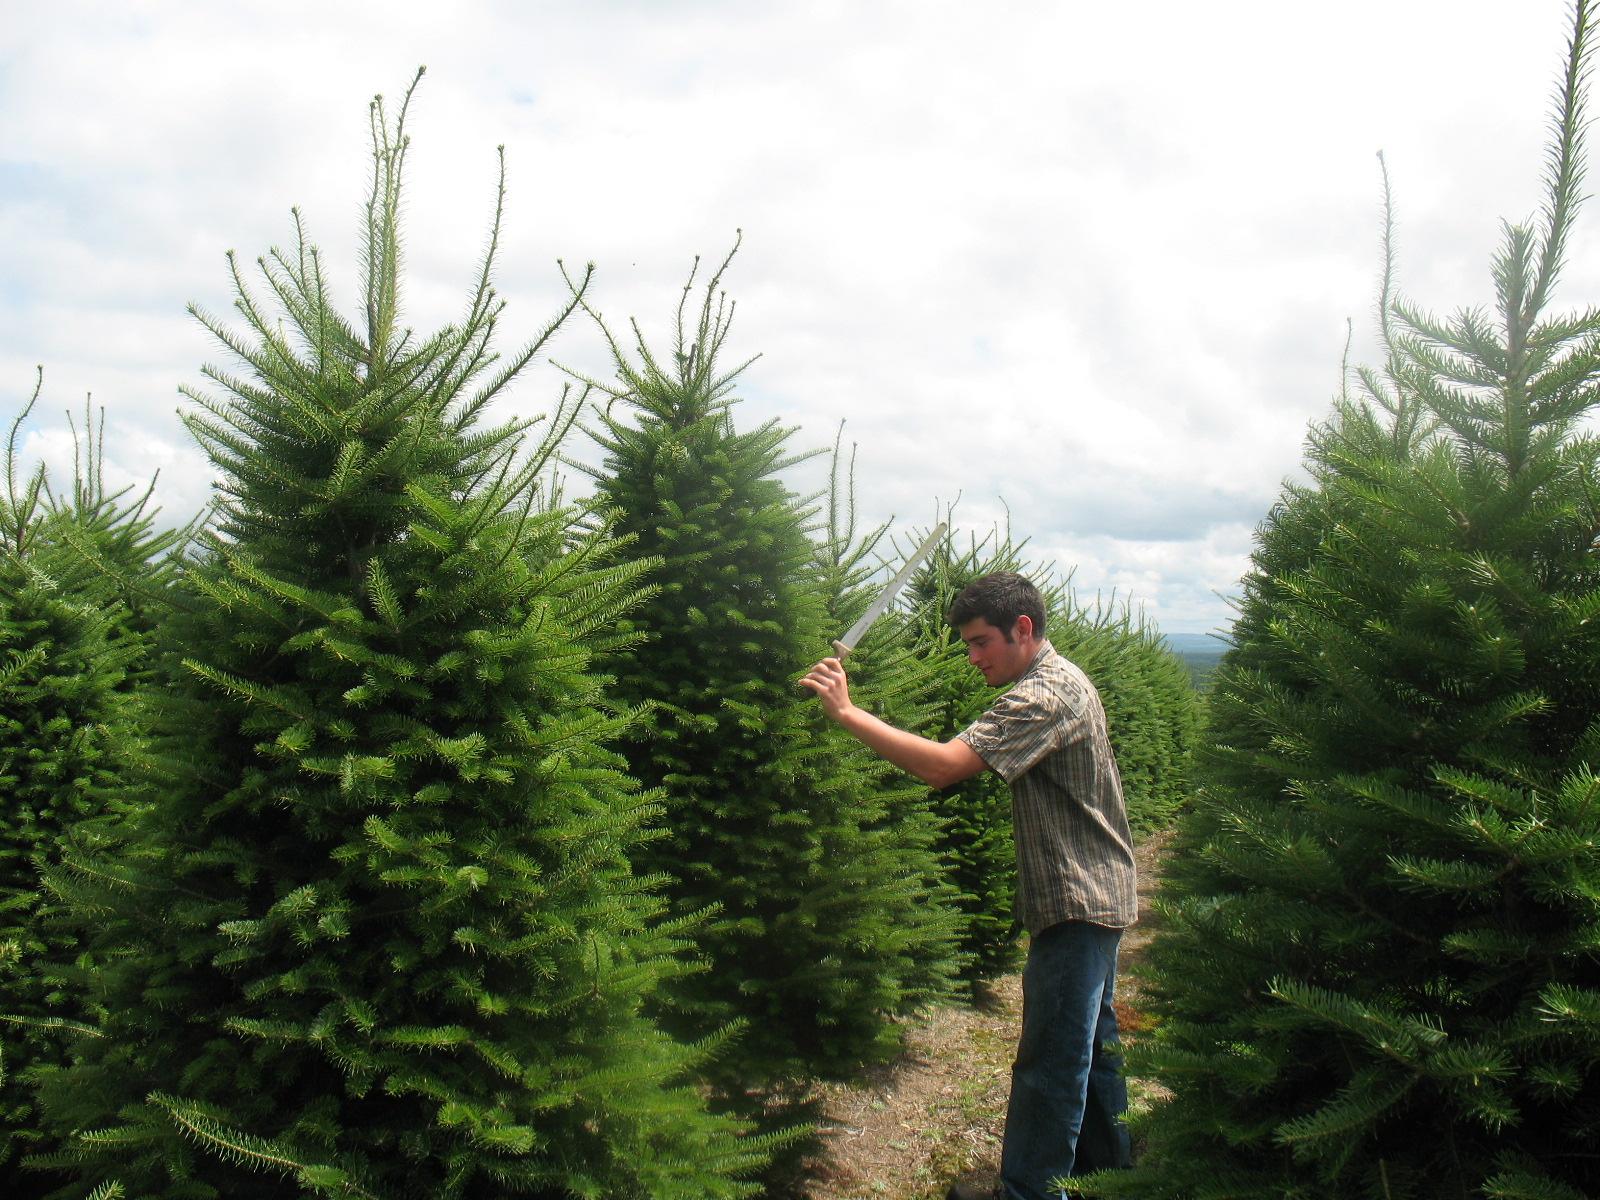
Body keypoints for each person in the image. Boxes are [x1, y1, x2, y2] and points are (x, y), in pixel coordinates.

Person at [799, 571, 1136, 1200]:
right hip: (1093, 895)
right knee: (1091, 1048)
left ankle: (1031, 1191)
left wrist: (845, 712)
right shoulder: (1054, 683)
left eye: (981, 642)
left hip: (1079, 901)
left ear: (1024, 630)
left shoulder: (1047, 695)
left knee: (1052, 1064)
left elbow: (942, 766)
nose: (973, 657)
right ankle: (1112, 1180)